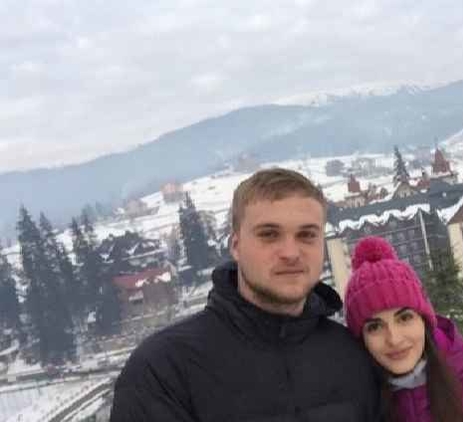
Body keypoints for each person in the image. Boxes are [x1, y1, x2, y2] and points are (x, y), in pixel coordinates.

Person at [110, 168, 380, 422]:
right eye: (269, 235)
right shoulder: (163, 370)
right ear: (236, 246)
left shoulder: (351, 355)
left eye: (306, 235)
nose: (290, 253)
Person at [344, 236, 463, 422]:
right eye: (375, 327)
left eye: (404, 318)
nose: (394, 339)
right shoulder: (354, 410)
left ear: (424, 321)